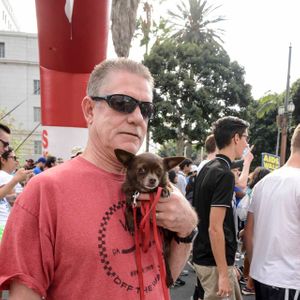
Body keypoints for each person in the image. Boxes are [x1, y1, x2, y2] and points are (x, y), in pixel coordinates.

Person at [0, 58, 198, 299]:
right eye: (122, 103)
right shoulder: (45, 191)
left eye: (146, 109)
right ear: (89, 110)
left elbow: (162, 280)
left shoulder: (160, 191)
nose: (137, 117)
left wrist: (187, 228)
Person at [192, 116, 250, 300]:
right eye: (246, 137)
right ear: (236, 138)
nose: (246, 143)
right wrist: (224, 274)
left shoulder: (208, 167)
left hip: (207, 258)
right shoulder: (224, 174)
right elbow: (215, 227)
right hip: (214, 263)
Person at [244, 124, 300, 300]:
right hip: (289, 280)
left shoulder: (263, 183)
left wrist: (253, 269)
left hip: (264, 276)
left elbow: (249, 233)